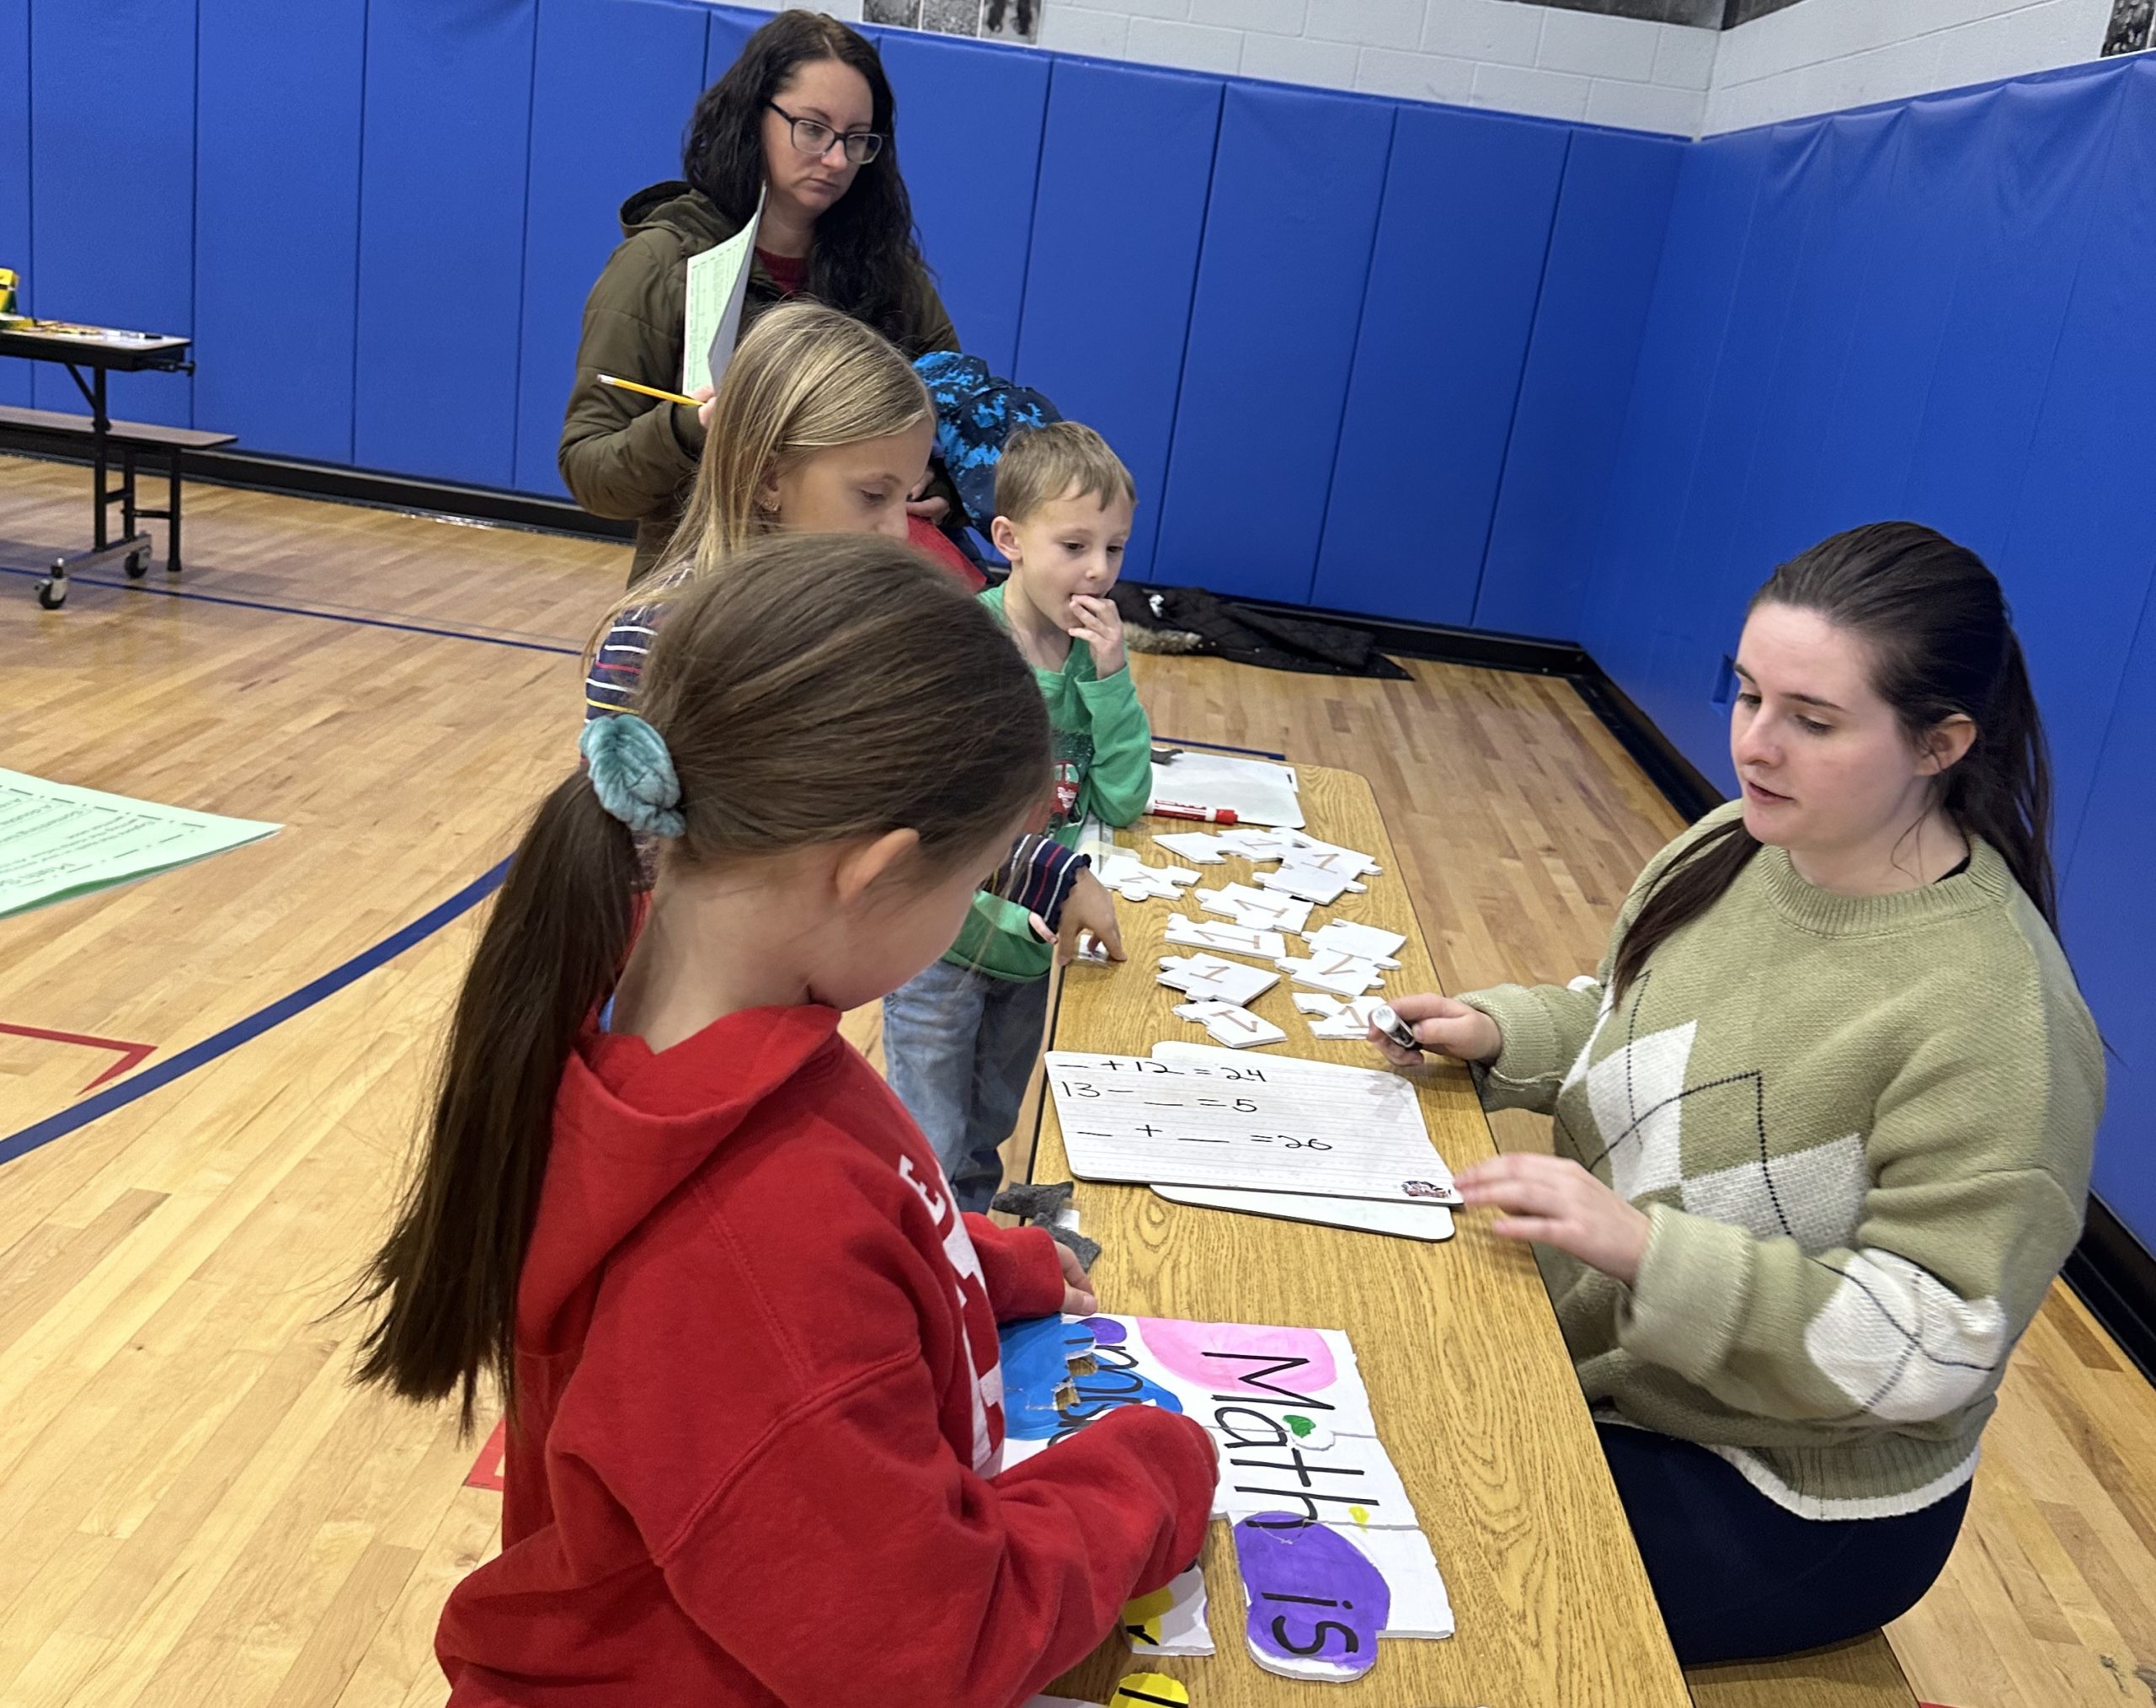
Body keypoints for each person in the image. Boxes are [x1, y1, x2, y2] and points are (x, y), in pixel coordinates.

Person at [351, 536, 1217, 1705]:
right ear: (872, 875)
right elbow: (930, 1648)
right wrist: (1150, 1476)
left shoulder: (667, 1017)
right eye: (968, 884)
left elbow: (848, 1232)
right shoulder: (755, 1233)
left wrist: (971, 1263)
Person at [1370, 523, 2102, 1666]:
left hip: (1788, 1490)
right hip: (1613, 1365)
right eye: (1748, 694)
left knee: (1425, 1578)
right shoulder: (1737, 845)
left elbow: (1933, 1345)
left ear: (1941, 742)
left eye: (1812, 721)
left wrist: (1655, 1257)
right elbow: (1637, 1025)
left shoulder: (1999, 1019)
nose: (1756, 745)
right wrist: (1507, 1030)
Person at [582, 300, 1120, 983]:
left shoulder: (857, 627)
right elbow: (624, 855)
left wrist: (1046, 872)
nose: (897, 529)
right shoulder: (656, 639)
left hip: (786, 985)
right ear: (770, 475)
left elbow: (910, 798)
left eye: (907, 496)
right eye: (872, 495)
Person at [560, 10, 958, 587]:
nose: (837, 159)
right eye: (813, 129)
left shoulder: (891, 274)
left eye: (856, 139)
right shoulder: (662, 263)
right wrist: (688, 430)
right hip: (707, 600)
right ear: (753, 118)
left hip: (854, 598)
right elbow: (591, 473)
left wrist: (936, 488)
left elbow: (958, 419)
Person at [883, 424, 1147, 1214]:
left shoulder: (1087, 657)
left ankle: (972, 1254)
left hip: (1032, 953)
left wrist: (1111, 680)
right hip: (942, 941)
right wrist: (1019, 895)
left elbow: (1122, 799)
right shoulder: (972, 642)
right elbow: (944, 811)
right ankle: (925, 1255)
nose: (1098, 570)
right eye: (1074, 545)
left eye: (1116, 548)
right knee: (926, 1140)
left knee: (987, 1132)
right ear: (1009, 541)